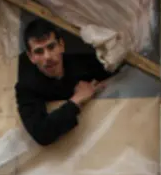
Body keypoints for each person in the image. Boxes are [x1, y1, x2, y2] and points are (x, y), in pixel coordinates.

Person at [16, 18, 114, 146]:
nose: (47, 57)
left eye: (51, 47)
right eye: (39, 51)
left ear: (61, 45)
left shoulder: (85, 65)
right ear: (31, 57)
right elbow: (41, 133)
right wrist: (76, 100)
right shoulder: (27, 86)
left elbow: (118, 68)